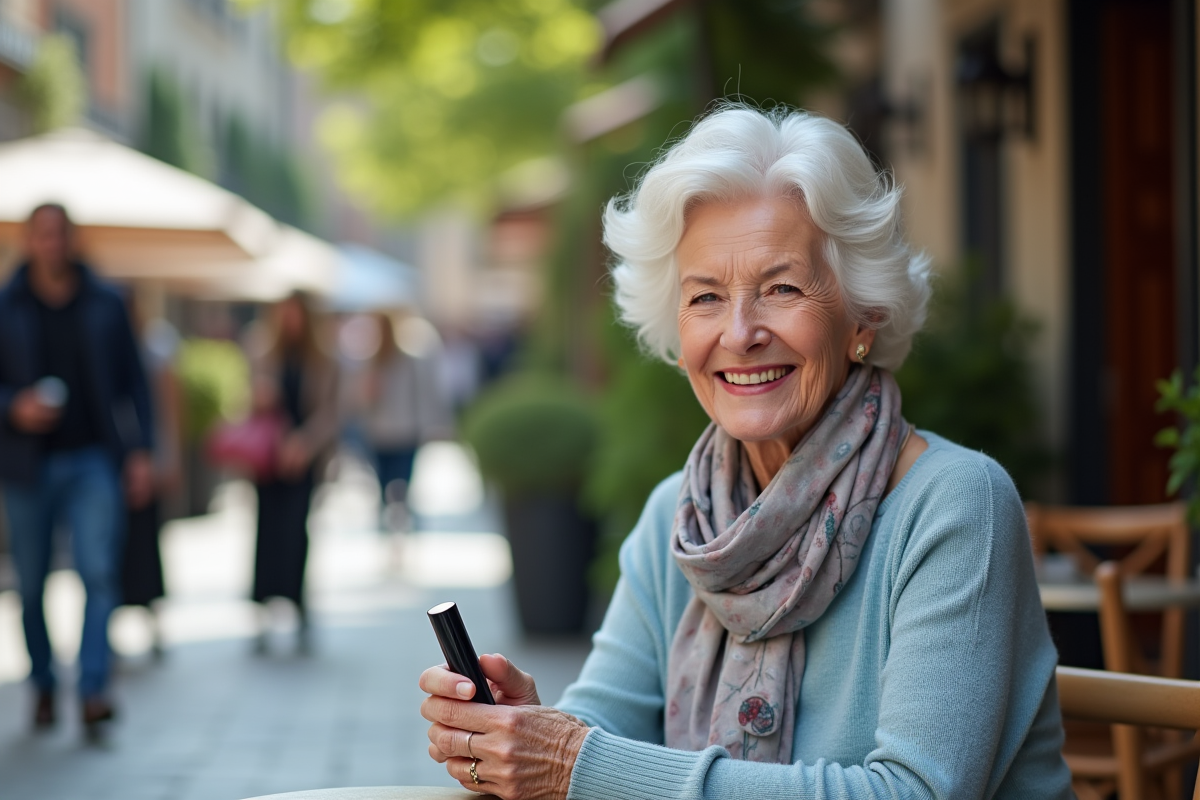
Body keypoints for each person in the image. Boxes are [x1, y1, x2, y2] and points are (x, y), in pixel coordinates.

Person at [419, 105, 1072, 799]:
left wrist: (579, 763)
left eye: (781, 288)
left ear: (862, 317)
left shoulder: (957, 503)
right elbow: (598, 734)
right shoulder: (681, 513)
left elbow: (914, 793)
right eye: (705, 297)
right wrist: (525, 734)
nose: (739, 333)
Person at [0, 203, 155, 737]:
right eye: (41, 235)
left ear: (70, 239)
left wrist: (141, 452)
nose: (51, 243)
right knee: (32, 580)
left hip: (93, 457)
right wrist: (13, 406)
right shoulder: (7, 303)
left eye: (59, 234)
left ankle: (92, 690)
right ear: (30, 241)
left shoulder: (106, 302)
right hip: (26, 464)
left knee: (97, 571)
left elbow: (136, 383)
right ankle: (43, 683)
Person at [248, 292, 338, 654]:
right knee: (265, 532)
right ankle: (263, 608)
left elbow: (332, 413)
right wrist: (260, 397)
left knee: (296, 533)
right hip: (268, 460)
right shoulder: (262, 352)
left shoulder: (324, 360)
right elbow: (247, 402)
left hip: (303, 461)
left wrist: (305, 442)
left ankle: (298, 604)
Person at [352, 312, 451, 530]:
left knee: (402, 486)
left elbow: (421, 395)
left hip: (405, 432)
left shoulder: (408, 360)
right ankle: (389, 526)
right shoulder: (369, 363)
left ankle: (401, 526)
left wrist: (428, 426)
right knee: (383, 484)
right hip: (379, 433)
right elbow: (359, 402)